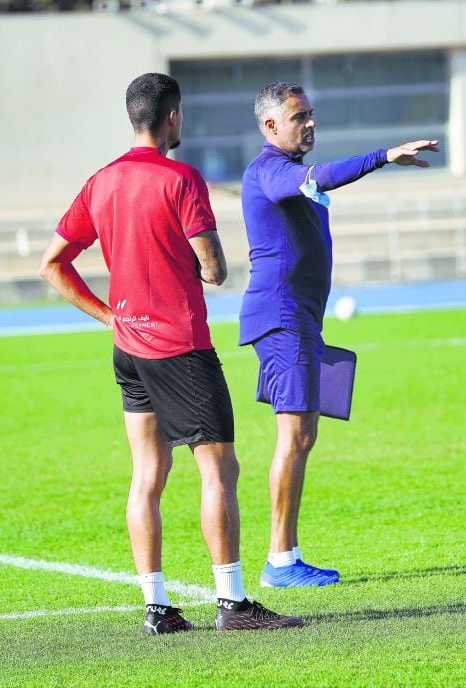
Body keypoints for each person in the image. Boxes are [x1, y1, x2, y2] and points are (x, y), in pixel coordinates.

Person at [40, 73, 302, 633]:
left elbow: (52, 264)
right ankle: (231, 602)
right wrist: (208, 265)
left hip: (129, 348)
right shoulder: (182, 179)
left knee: (147, 475)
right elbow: (214, 268)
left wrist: (110, 316)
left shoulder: (101, 181)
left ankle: (157, 608)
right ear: (173, 117)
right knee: (218, 470)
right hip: (180, 349)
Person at [239, 81, 439, 588]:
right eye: (298, 116)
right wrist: (383, 155)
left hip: (299, 320)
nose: (309, 123)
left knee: (303, 434)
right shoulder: (271, 170)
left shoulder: (283, 174)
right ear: (270, 126)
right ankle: (280, 561)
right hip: (282, 319)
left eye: (311, 113)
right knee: (294, 435)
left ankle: (284, 556)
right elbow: (320, 177)